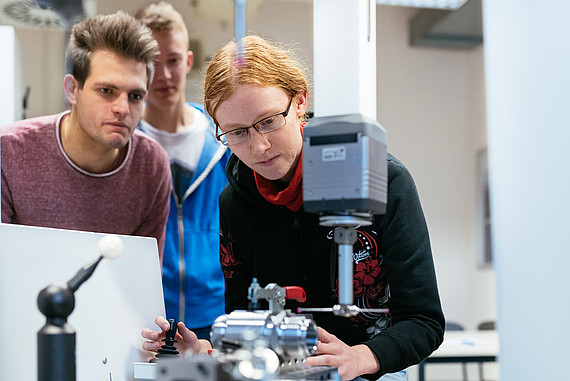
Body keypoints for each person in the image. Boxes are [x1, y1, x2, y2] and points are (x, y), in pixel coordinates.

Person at [142, 35, 444, 380]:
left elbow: (424, 321)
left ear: (299, 101)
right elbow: (244, 322)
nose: (259, 146)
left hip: (370, 367)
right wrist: (204, 352)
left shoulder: (384, 180)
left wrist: (359, 357)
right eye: (237, 133)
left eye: (269, 121)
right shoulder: (233, 203)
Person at [0, 11, 171, 257]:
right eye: (106, 90)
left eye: (135, 96)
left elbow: (142, 280)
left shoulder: (151, 165)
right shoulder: (9, 152)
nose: (122, 108)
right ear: (73, 89)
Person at [135, 2, 229, 339]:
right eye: (152, 63)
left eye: (172, 61)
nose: (163, 75)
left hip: (219, 315)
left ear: (188, 61)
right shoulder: (124, 145)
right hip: (148, 320)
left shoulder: (225, 136)